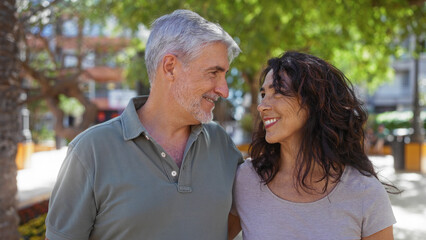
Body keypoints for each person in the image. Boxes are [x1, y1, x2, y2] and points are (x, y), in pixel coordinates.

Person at [45, 9, 242, 240]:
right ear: (170, 67)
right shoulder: (91, 151)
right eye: (213, 73)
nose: (224, 90)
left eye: (225, 75)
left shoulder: (222, 144)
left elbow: (239, 214)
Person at [228, 51, 398, 240]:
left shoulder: (365, 192)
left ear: (315, 102)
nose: (262, 106)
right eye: (263, 94)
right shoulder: (246, 179)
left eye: (278, 91)